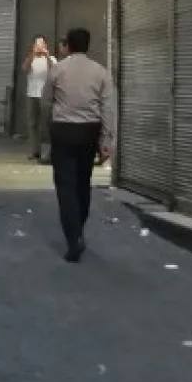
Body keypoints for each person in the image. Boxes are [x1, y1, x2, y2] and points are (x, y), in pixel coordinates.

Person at [41, 27, 116, 263]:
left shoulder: (57, 70)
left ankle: (74, 239)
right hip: (89, 131)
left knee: (65, 186)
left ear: (69, 46)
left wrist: (49, 128)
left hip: (63, 131)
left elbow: (46, 102)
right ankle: (79, 230)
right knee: (83, 183)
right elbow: (108, 109)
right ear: (87, 46)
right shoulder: (101, 72)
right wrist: (106, 140)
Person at [20, 36, 55, 161]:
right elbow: (24, 68)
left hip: (45, 96)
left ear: (45, 46)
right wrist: (32, 55)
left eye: (41, 44)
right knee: (33, 124)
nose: (39, 47)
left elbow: (54, 71)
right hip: (32, 94)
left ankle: (51, 152)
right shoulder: (31, 59)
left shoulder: (51, 59)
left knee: (48, 124)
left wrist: (47, 56)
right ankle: (35, 151)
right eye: (37, 44)